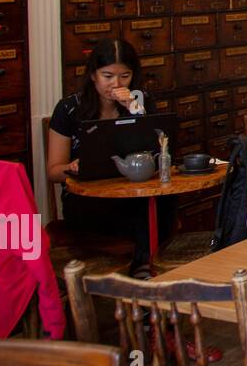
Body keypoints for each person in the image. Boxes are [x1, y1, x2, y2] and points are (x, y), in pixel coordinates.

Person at [46, 38, 173, 279]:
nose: (116, 84)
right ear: (93, 74)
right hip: (88, 199)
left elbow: (159, 150)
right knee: (138, 213)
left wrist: (134, 108)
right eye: (108, 76)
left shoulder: (140, 102)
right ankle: (143, 271)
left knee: (159, 202)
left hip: (132, 191)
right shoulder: (68, 109)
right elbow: (52, 170)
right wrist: (72, 167)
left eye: (124, 76)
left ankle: (143, 269)